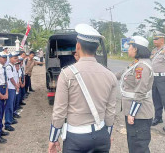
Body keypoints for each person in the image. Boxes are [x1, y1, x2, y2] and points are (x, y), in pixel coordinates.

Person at [48, 24, 117, 153]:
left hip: (76, 138)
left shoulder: (67, 74)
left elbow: (59, 111)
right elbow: (110, 111)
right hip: (101, 135)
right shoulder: (110, 75)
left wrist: (53, 138)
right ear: (96, 48)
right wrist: (108, 134)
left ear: (78, 46)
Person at [116, 36, 154, 153]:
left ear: (136, 48)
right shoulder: (136, 64)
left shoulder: (142, 67)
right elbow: (121, 74)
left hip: (139, 114)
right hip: (134, 112)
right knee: (133, 144)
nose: (128, 49)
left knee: (139, 147)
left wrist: (132, 113)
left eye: (130, 47)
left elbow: (140, 92)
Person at [150, 31, 165, 131]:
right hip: (154, 78)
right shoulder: (153, 51)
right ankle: (158, 118)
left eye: (156, 39)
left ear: (162, 40)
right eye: (154, 39)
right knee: (156, 99)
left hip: (164, 79)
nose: (154, 41)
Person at [5, 52, 19, 131]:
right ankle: (7, 123)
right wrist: (16, 85)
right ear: (10, 58)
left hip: (13, 88)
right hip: (10, 88)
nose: (15, 60)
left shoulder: (13, 66)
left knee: (12, 104)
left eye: (16, 58)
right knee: (9, 106)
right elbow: (11, 78)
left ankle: (10, 119)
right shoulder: (8, 67)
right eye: (14, 58)